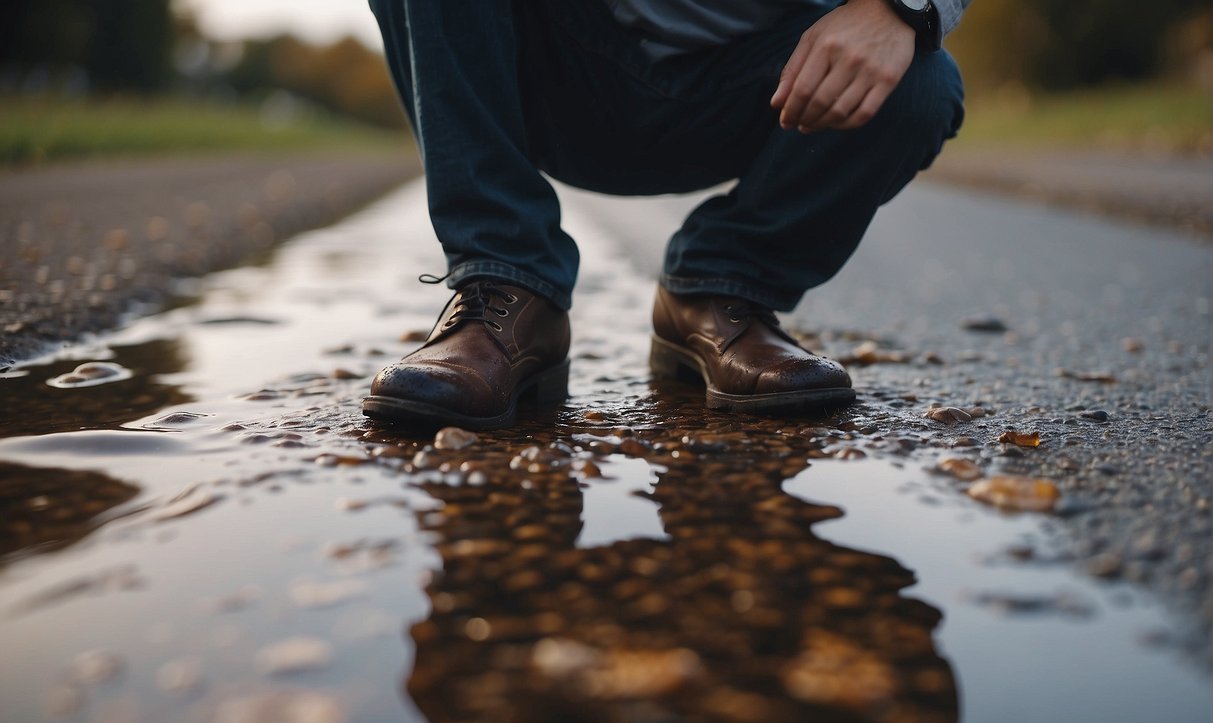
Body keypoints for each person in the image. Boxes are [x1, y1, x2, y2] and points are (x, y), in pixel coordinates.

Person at [362, 0, 968, 429]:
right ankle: (508, 288)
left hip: (771, 74)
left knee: (923, 81)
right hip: (549, 59)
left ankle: (717, 290)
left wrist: (901, 9)